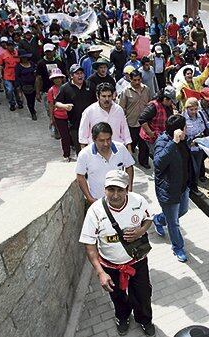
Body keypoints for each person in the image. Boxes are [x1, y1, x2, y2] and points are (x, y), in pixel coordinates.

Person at [79, 169, 155, 337]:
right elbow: (89, 245)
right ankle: (122, 317)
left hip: (137, 261)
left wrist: (141, 231)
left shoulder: (138, 201)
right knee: (118, 297)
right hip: (110, 266)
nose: (115, 195)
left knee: (142, 294)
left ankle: (144, 320)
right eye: (111, 189)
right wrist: (100, 273)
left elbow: (149, 218)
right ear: (104, 189)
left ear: (127, 189)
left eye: (120, 190)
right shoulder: (95, 211)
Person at [152, 114, 192, 263]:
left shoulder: (183, 141)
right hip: (168, 191)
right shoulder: (163, 142)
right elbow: (158, 164)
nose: (187, 130)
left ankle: (158, 219)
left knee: (183, 211)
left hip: (182, 187)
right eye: (185, 128)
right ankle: (178, 248)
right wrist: (173, 143)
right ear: (178, 131)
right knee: (174, 223)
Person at [76, 123, 135, 203]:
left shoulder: (121, 149)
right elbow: (80, 176)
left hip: (120, 200)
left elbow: (129, 167)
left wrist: (129, 189)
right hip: (98, 201)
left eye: (108, 139)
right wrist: (89, 198)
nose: (106, 143)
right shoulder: (84, 154)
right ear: (94, 139)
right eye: (101, 140)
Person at [55, 64, 97, 154]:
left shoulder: (90, 85)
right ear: (71, 76)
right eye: (77, 73)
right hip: (75, 125)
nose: (80, 75)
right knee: (81, 151)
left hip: (91, 124)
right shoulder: (65, 88)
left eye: (81, 73)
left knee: (93, 149)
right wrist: (64, 106)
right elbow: (57, 103)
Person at [183, 98, 209, 196]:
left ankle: (196, 180)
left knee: (198, 165)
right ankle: (193, 188)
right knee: (192, 168)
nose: (194, 112)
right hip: (189, 147)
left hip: (201, 145)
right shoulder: (183, 118)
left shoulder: (200, 114)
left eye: (195, 109)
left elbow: (207, 124)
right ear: (187, 108)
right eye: (191, 110)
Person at [78, 83, 132, 148]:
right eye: (104, 96)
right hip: (96, 150)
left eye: (109, 96)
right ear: (98, 97)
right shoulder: (89, 111)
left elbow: (125, 131)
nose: (107, 99)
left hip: (116, 149)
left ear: (113, 96)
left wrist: (129, 149)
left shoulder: (119, 110)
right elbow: (83, 136)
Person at [120, 70, 152, 169]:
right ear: (130, 79)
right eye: (135, 80)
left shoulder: (146, 89)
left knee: (144, 144)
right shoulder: (125, 91)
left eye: (139, 80)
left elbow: (150, 103)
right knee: (131, 143)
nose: (137, 82)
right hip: (131, 122)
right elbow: (121, 108)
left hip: (144, 123)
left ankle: (143, 161)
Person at [138, 87, 176, 155]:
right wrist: (150, 132)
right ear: (165, 99)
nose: (172, 103)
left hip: (161, 136)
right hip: (151, 137)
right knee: (156, 154)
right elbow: (142, 119)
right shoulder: (153, 106)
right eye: (171, 101)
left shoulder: (168, 106)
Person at [47, 68, 73, 161]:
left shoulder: (68, 87)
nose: (58, 80)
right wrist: (51, 118)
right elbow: (51, 105)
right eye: (55, 78)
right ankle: (66, 155)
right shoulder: (51, 91)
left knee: (72, 134)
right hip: (59, 116)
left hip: (70, 115)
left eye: (59, 77)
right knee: (64, 136)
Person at [0, 38, 21, 110]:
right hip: (7, 75)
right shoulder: (3, 54)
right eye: (9, 45)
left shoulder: (17, 52)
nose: (11, 47)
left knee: (17, 90)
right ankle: (12, 103)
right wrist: (0, 74)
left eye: (12, 45)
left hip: (16, 75)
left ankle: (19, 102)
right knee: (9, 90)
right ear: (7, 46)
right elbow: (0, 65)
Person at [15, 51, 38, 120]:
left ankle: (32, 108)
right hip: (25, 86)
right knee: (29, 99)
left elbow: (36, 71)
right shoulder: (18, 66)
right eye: (23, 57)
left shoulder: (32, 64)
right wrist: (18, 88)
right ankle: (32, 113)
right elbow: (17, 77)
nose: (24, 59)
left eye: (25, 57)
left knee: (33, 99)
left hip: (34, 84)